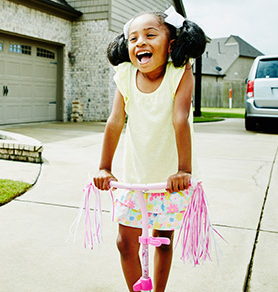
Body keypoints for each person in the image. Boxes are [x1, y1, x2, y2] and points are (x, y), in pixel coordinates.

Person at [93, 7, 206, 292]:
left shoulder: (180, 72)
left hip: (169, 177)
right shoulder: (126, 75)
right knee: (124, 241)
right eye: (133, 38)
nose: (140, 42)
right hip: (135, 175)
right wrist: (105, 166)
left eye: (150, 35)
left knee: (162, 239)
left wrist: (184, 170)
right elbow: (115, 121)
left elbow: (180, 118)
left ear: (170, 44)